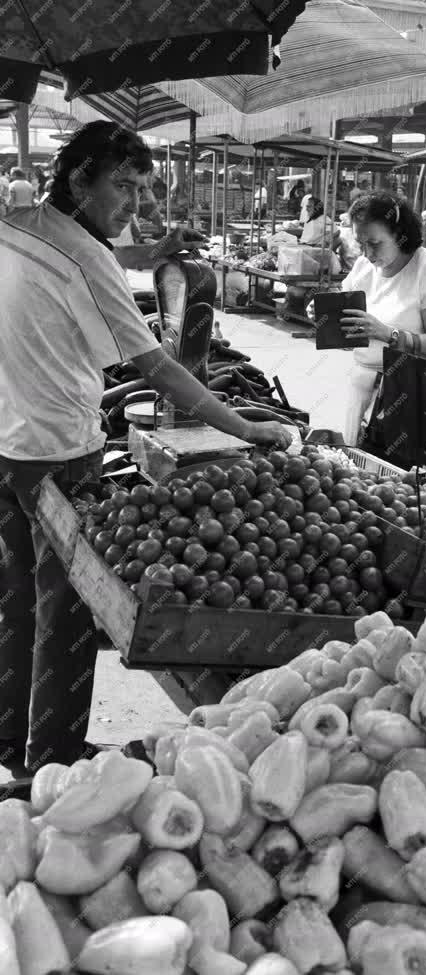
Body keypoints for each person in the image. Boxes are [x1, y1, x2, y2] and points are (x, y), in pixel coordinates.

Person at [0, 120, 292, 774]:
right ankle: (51, 763)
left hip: (8, 444)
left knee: (16, 599)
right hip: (59, 453)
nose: (135, 202)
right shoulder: (91, 258)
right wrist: (244, 427)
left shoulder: (16, 223)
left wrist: (147, 249)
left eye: (142, 188)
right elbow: (157, 367)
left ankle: (8, 736)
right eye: (124, 186)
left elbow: (81, 261)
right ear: (80, 179)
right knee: (68, 615)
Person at [336, 192, 426, 445]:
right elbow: (347, 320)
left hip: (407, 392)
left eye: (375, 243)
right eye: (361, 244)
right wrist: (325, 315)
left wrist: (387, 333)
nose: (367, 253)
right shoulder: (363, 268)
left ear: (399, 234)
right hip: (361, 388)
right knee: (354, 474)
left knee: (395, 479)